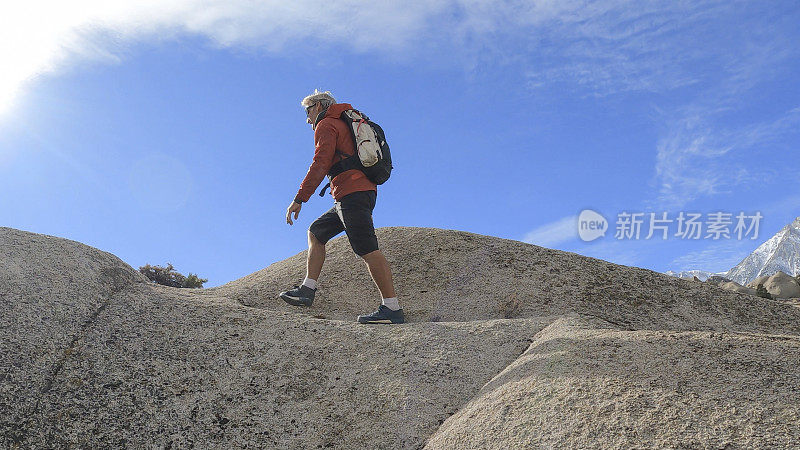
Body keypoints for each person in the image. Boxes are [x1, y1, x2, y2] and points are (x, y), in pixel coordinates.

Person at [280, 89, 405, 324]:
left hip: (352, 193)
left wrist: (299, 198)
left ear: (318, 106)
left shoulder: (326, 124)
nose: (307, 119)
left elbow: (320, 162)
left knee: (367, 249)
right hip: (356, 192)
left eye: (307, 112)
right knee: (317, 232)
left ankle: (392, 308)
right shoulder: (346, 121)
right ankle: (308, 290)